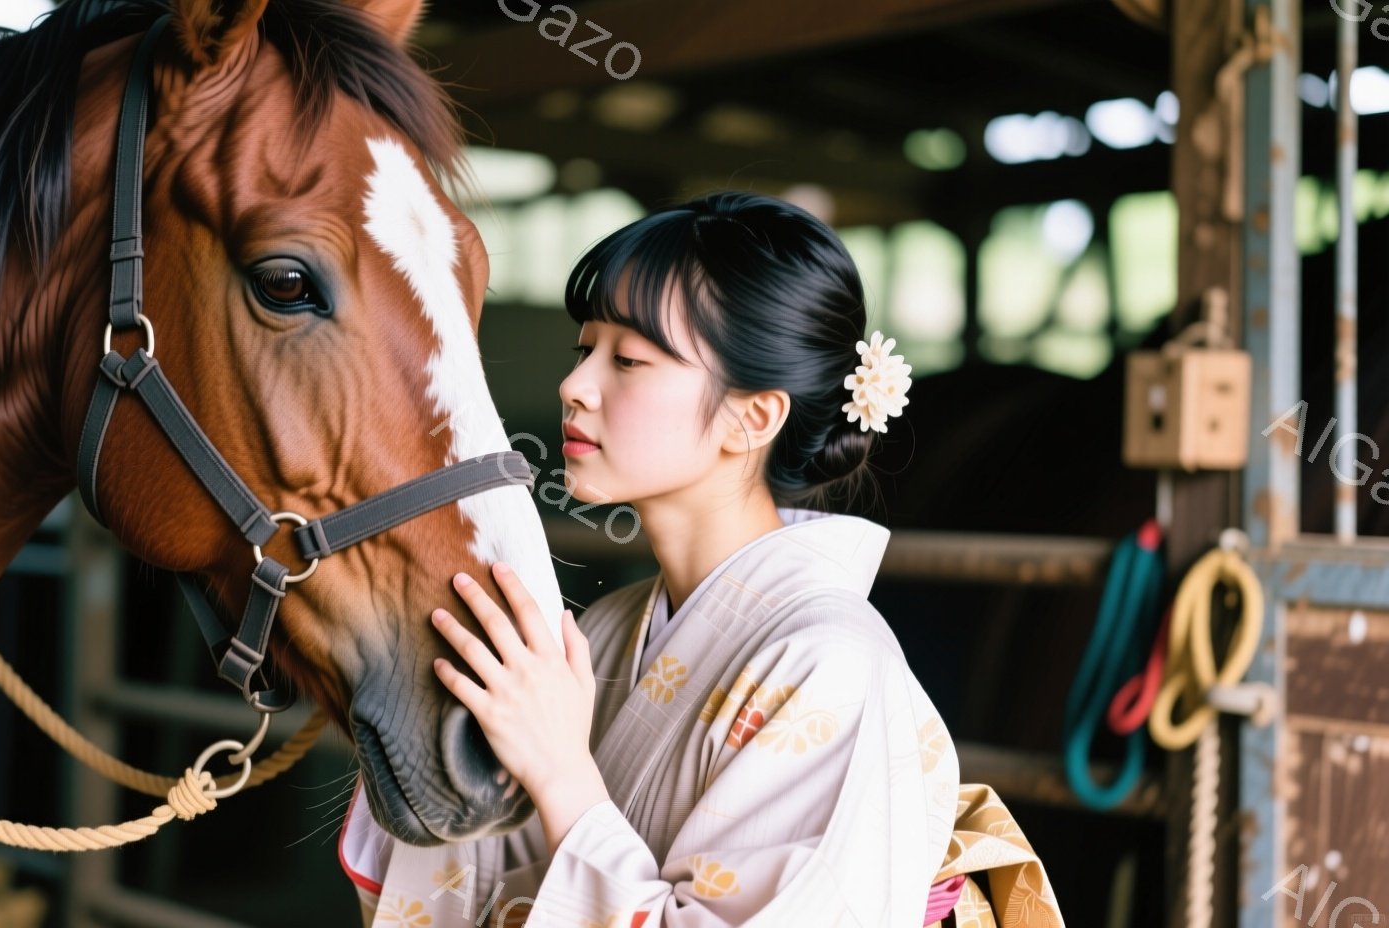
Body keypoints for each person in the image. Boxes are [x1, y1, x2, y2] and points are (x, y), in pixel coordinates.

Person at [340, 191, 963, 927]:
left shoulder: (832, 666)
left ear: (752, 417)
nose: (574, 386)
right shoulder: (605, 630)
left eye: (628, 359)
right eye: (585, 350)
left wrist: (559, 771)